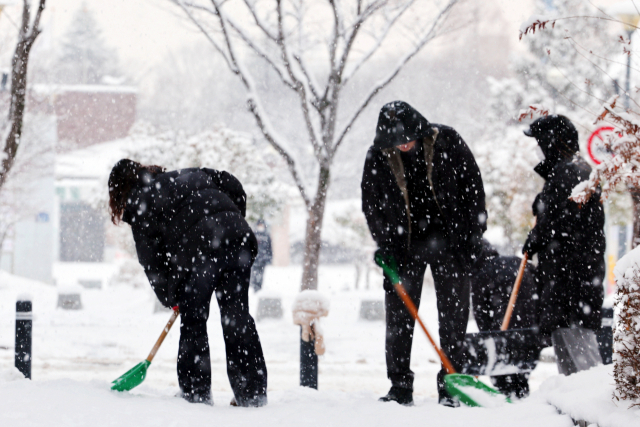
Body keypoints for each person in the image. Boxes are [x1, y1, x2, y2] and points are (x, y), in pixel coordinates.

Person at [108, 159, 268, 407]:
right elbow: (232, 184)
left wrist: (171, 298)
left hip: (201, 249)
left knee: (193, 319)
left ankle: (196, 393)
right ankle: (252, 393)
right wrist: (230, 219)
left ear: (120, 192)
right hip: (238, 239)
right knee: (236, 316)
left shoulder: (140, 203)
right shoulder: (188, 174)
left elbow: (153, 263)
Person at [361, 101, 487, 406]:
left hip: (451, 241)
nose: (403, 145)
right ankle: (400, 386)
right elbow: (372, 204)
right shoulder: (378, 154)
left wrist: (472, 236)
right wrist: (384, 244)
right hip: (403, 245)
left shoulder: (448, 140)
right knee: (399, 318)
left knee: (454, 316)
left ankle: (451, 385)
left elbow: (473, 187)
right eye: (396, 141)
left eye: (408, 138)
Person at [522, 115, 605, 340]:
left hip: (570, 283)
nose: (538, 150)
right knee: (572, 349)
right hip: (573, 282)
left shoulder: (570, 172)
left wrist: (538, 236)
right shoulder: (572, 170)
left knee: (575, 353)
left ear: (552, 142)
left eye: (539, 143)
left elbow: (563, 220)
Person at [470, 239, 537, 399]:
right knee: (521, 350)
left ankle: (505, 390)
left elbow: (481, 313)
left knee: (501, 354)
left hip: (501, 316)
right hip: (528, 314)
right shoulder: (517, 262)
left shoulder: (481, 274)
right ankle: (521, 386)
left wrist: (487, 336)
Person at [251, 219, 273, 292]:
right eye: (259, 225)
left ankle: (259, 287)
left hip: (263, 260)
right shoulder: (253, 234)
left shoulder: (267, 236)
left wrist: (269, 258)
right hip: (254, 260)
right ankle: (254, 287)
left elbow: (270, 248)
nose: (260, 227)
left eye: (262, 225)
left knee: (261, 275)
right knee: (254, 274)